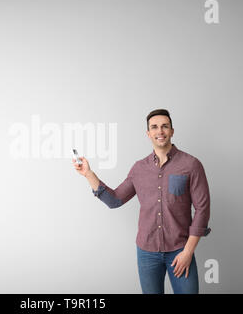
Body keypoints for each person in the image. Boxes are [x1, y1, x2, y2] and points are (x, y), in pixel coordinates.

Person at [72, 109, 211, 294]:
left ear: (172, 131)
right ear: (148, 133)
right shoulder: (139, 169)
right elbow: (115, 200)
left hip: (180, 250)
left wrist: (188, 252)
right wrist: (89, 174)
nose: (159, 131)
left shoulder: (191, 165)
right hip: (147, 253)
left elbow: (202, 209)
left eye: (164, 126)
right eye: (154, 127)